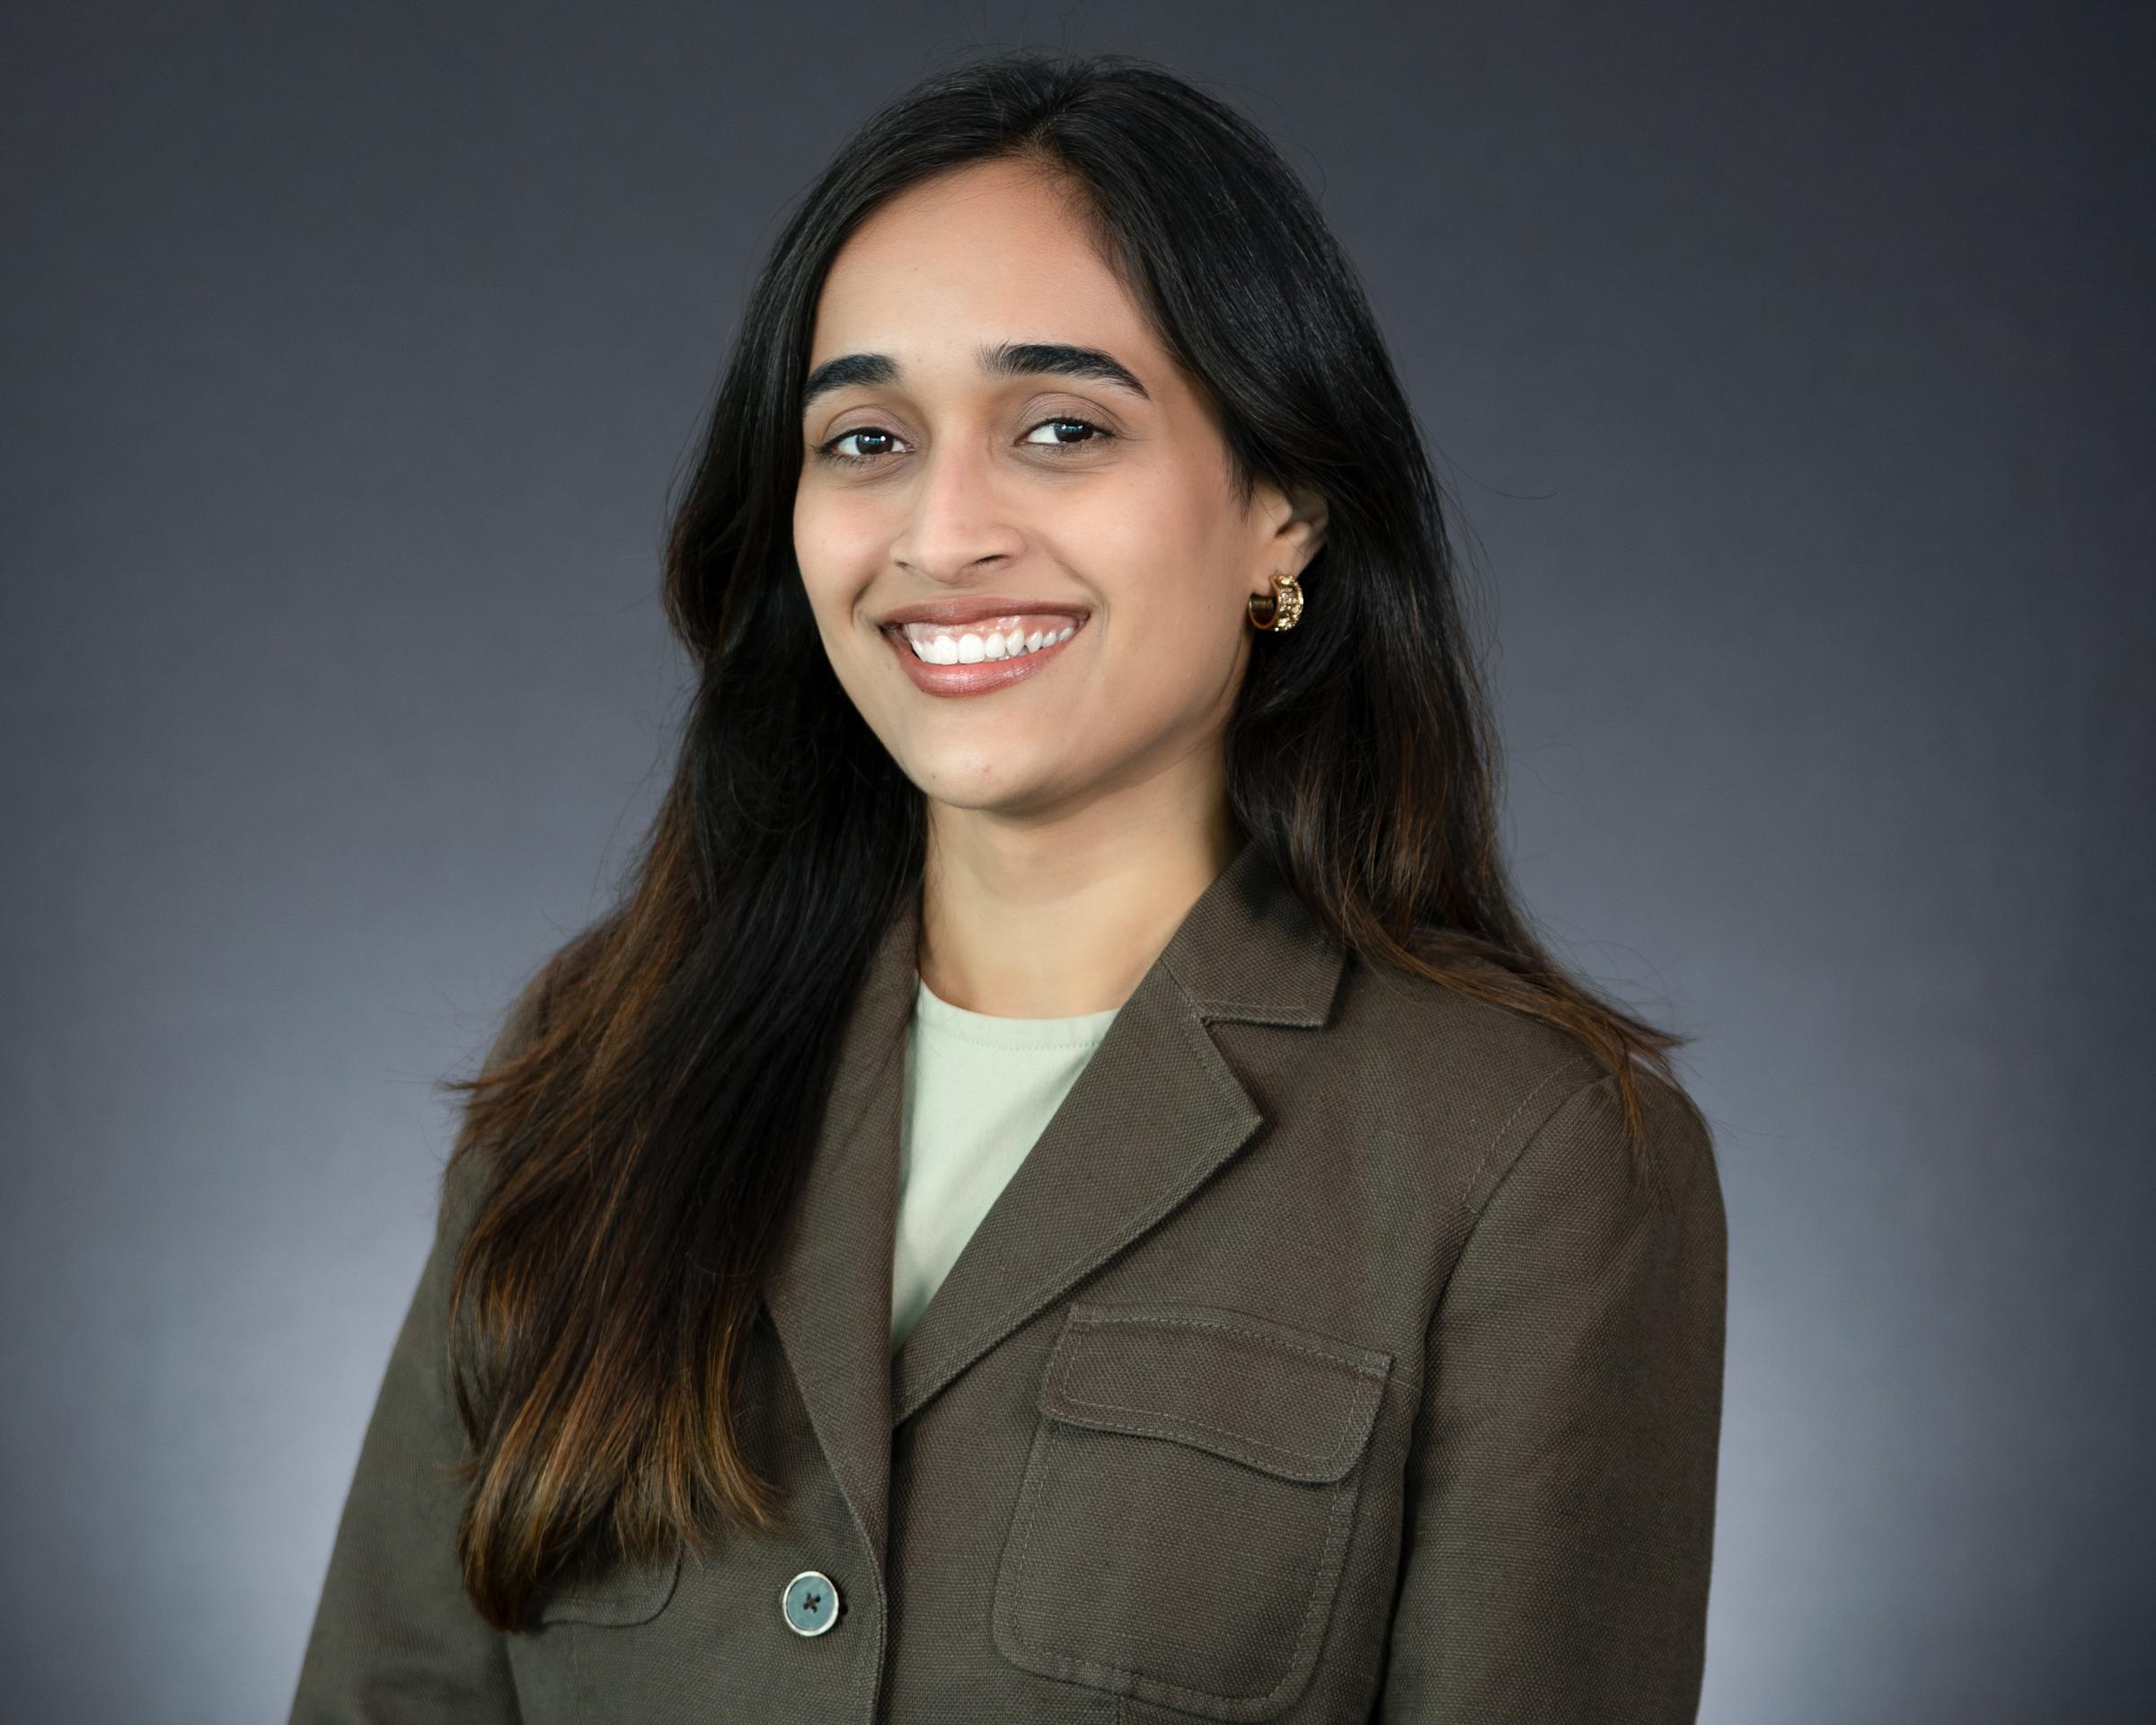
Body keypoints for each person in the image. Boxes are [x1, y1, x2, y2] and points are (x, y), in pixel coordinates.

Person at [289, 47, 1726, 1724]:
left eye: (1062, 427)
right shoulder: (599, 1063)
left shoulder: (1527, 1160)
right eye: (866, 436)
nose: (943, 529)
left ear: (1285, 512)